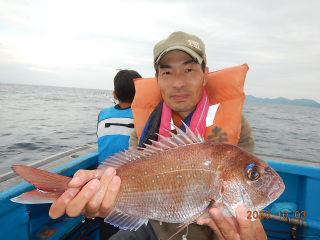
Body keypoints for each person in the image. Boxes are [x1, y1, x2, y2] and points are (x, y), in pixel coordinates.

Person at [49, 31, 267, 240]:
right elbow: (132, 183)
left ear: (205, 75)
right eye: (167, 72)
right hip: (153, 228)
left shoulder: (238, 125)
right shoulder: (144, 127)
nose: (178, 82)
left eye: (189, 70)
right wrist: (98, 199)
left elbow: (244, 196)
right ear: (157, 79)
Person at [96, 69, 142, 239]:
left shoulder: (103, 114)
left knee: (107, 228)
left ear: (115, 94)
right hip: (131, 186)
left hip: (104, 182)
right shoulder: (143, 117)